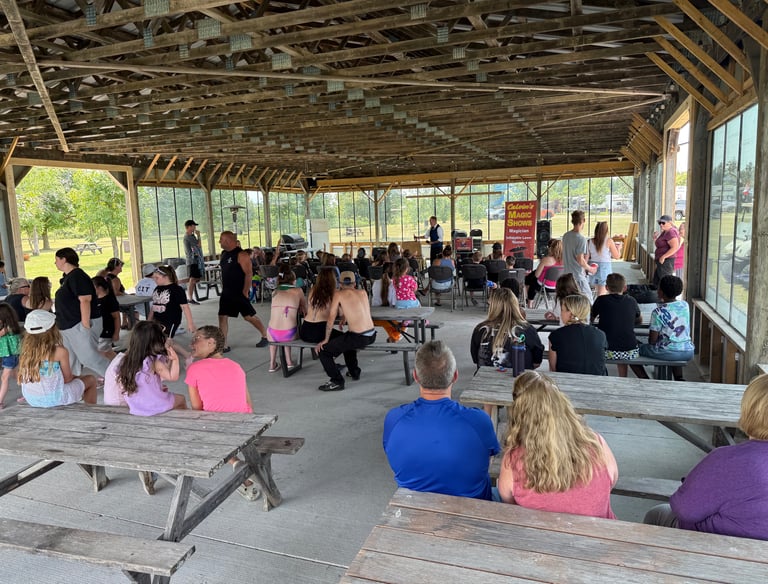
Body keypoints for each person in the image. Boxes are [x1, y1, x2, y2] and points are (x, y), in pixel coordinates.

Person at [643, 374, 768, 540]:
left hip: (718, 550)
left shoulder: (727, 460)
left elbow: (684, 509)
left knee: (657, 514)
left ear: (747, 412)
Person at [383, 341, 500, 500]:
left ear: (415, 376)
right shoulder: (479, 420)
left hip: (413, 508)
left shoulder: (394, 419)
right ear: (455, 376)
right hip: (472, 509)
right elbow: (489, 459)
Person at [498, 371, 618, 518]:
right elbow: (611, 481)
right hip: (599, 535)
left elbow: (507, 498)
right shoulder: (597, 443)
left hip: (539, 537)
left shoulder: (513, 459)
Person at [185, 325, 260, 501]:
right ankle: (240, 467)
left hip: (219, 429)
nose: (191, 343)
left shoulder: (195, 369)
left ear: (211, 343)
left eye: (197, 339)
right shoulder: (236, 366)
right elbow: (247, 400)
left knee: (195, 425)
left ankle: (234, 463)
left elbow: (197, 409)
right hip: (245, 424)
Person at [17, 310, 98, 407]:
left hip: (32, 398)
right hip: (56, 398)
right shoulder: (59, 351)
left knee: (78, 380)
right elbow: (67, 379)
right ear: (52, 329)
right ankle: (89, 414)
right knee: (91, 379)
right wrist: (78, 378)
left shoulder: (25, 351)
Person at [53, 247, 110, 377]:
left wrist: (85, 326)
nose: (55, 263)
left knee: (88, 358)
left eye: (56, 260)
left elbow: (85, 300)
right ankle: (72, 386)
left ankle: (119, 379)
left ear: (64, 259)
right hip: (67, 326)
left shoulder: (77, 276)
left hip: (78, 324)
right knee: (69, 359)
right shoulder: (68, 277)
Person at [316, 271, 376, 391]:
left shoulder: (339, 294)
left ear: (340, 284)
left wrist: (325, 340)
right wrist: (345, 316)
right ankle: (354, 371)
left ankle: (336, 381)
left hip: (358, 337)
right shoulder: (363, 292)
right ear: (355, 283)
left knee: (324, 352)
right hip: (371, 334)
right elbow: (360, 311)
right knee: (347, 342)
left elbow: (331, 318)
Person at [116, 320, 187, 416]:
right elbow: (172, 376)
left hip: (135, 406)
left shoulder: (125, 361)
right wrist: (175, 359)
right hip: (153, 405)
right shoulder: (153, 361)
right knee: (181, 399)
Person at [470, 288, 544, 372]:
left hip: (485, 379)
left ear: (492, 307)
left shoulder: (480, 329)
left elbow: (476, 359)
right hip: (521, 381)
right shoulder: (527, 329)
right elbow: (537, 361)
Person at [217, 231, 269, 351]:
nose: (219, 241)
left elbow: (249, 273)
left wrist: (245, 291)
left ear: (228, 240)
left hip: (238, 292)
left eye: (221, 239)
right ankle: (223, 345)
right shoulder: (224, 254)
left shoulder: (241, 255)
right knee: (222, 316)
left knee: (248, 317)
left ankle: (265, 335)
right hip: (227, 292)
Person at [590, 273, 648, 379]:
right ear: (625, 287)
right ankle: (628, 377)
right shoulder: (631, 301)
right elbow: (639, 320)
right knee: (624, 341)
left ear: (606, 287)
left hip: (606, 351)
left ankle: (602, 377)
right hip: (630, 352)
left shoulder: (601, 300)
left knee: (610, 339)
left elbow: (591, 319)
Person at [639, 275, 694, 381]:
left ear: (661, 292)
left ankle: (644, 378)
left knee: (636, 348)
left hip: (667, 353)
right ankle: (679, 378)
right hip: (687, 351)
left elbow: (652, 341)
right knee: (674, 343)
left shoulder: (658, 312)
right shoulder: (685, 305)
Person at [548, 294, 607, 375]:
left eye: (562, 310)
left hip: (567, 381)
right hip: (598, 381)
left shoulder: (556, 335)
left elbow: (553, 368)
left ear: (570, 313)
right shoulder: (600, 334)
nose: (560, 314)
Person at [149, 264, 196, 364]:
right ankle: (187, 355)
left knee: (167, 343)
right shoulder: (157, 289)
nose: (154, 280)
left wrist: (190, 323)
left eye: (156, 278)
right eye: (154, 278)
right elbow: (153, 307)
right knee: (163, 341)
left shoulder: (177, 290)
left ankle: (169, 366)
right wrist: (149, 320)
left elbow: (185, 307)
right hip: (158, 319)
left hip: (171, 321)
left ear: (166, 277)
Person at [267, 264, 307, 372]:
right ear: (293, 280)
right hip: (289, 333)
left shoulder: (275, 291)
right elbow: (305, 309)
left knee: (275, 338)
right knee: (288, 330)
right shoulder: (298, 291)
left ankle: (272, 364)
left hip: (271, 333)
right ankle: (289, 362)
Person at [562, 210, 597, 300]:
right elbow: (580, 260)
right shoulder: (581, 239)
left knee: (571, 301)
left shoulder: (565, 236)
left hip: (566, 275)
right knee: (588, 300)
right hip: (577, 276)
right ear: (583, 220)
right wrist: (590, 269)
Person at [299, 269, 339, 344]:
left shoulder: (313, 290)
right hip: (320, 330)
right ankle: (328, 355)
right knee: (347, 340)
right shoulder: (335, 293)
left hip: (305, 329)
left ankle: (326, 354)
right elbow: (339, 312)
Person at [525, 238, 563, 307]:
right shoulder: (564, 261)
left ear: (551, 248)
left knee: (533, 281)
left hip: (545, 286)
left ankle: (530, 302)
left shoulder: (546, 259)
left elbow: (537, 275)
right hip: (558, 286)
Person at [371, 262, 402, 344]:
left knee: (389, 321)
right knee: (405, 321)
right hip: (390, 318)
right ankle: (394, 338)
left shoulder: (376, 282)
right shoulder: (394, 284)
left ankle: (393, 338)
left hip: (375, 318)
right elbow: (394, 304)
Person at [588, 222, 621, 296]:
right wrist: (618, 248)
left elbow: (588, 256)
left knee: (597, 291)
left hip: (593, 267)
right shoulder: (609, 241)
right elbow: (617, 256)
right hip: (604, 268)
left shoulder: (590, 241)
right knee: (602, 294)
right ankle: (599, 306)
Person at [0, 302, 22, 409]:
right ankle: (28, 392)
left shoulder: (6, 329)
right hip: (10, 356)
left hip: (10, 356)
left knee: (4, 378)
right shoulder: (11, 327)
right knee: (16, 376)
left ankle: (0, 401)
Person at [92, 276, 120, 360]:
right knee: (106, 351)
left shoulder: (110, 300)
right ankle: (118, 364)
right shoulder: (95, 300)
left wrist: (116, 333)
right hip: (98, 331)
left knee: (103, 351)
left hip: (107, 331)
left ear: (99, 287)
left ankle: (115, 365)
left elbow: (116, 317)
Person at [652, 214, 680, 287]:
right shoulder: (665, 232)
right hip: (661, 261)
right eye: (659, 223)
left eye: (663, 223)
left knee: (665, 282)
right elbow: (659, 246)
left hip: (666, 261)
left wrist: (664, 257)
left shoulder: (671, 232)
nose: (661, 225)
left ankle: (667, 297)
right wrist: (655, 238)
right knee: (657, 282)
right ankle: (657, 297)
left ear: (670, 223)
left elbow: (675, 247)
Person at [183, 219, 204, 305]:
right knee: (192, 279)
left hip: (195, 260)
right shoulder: (188, 237)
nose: (195, 227)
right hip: (192, 261)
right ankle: (190, 298)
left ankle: (190, 297)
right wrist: (199, 236)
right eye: (193, 226)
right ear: (189, 227)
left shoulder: (191, 236)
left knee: (195, 279)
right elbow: (198, 245)